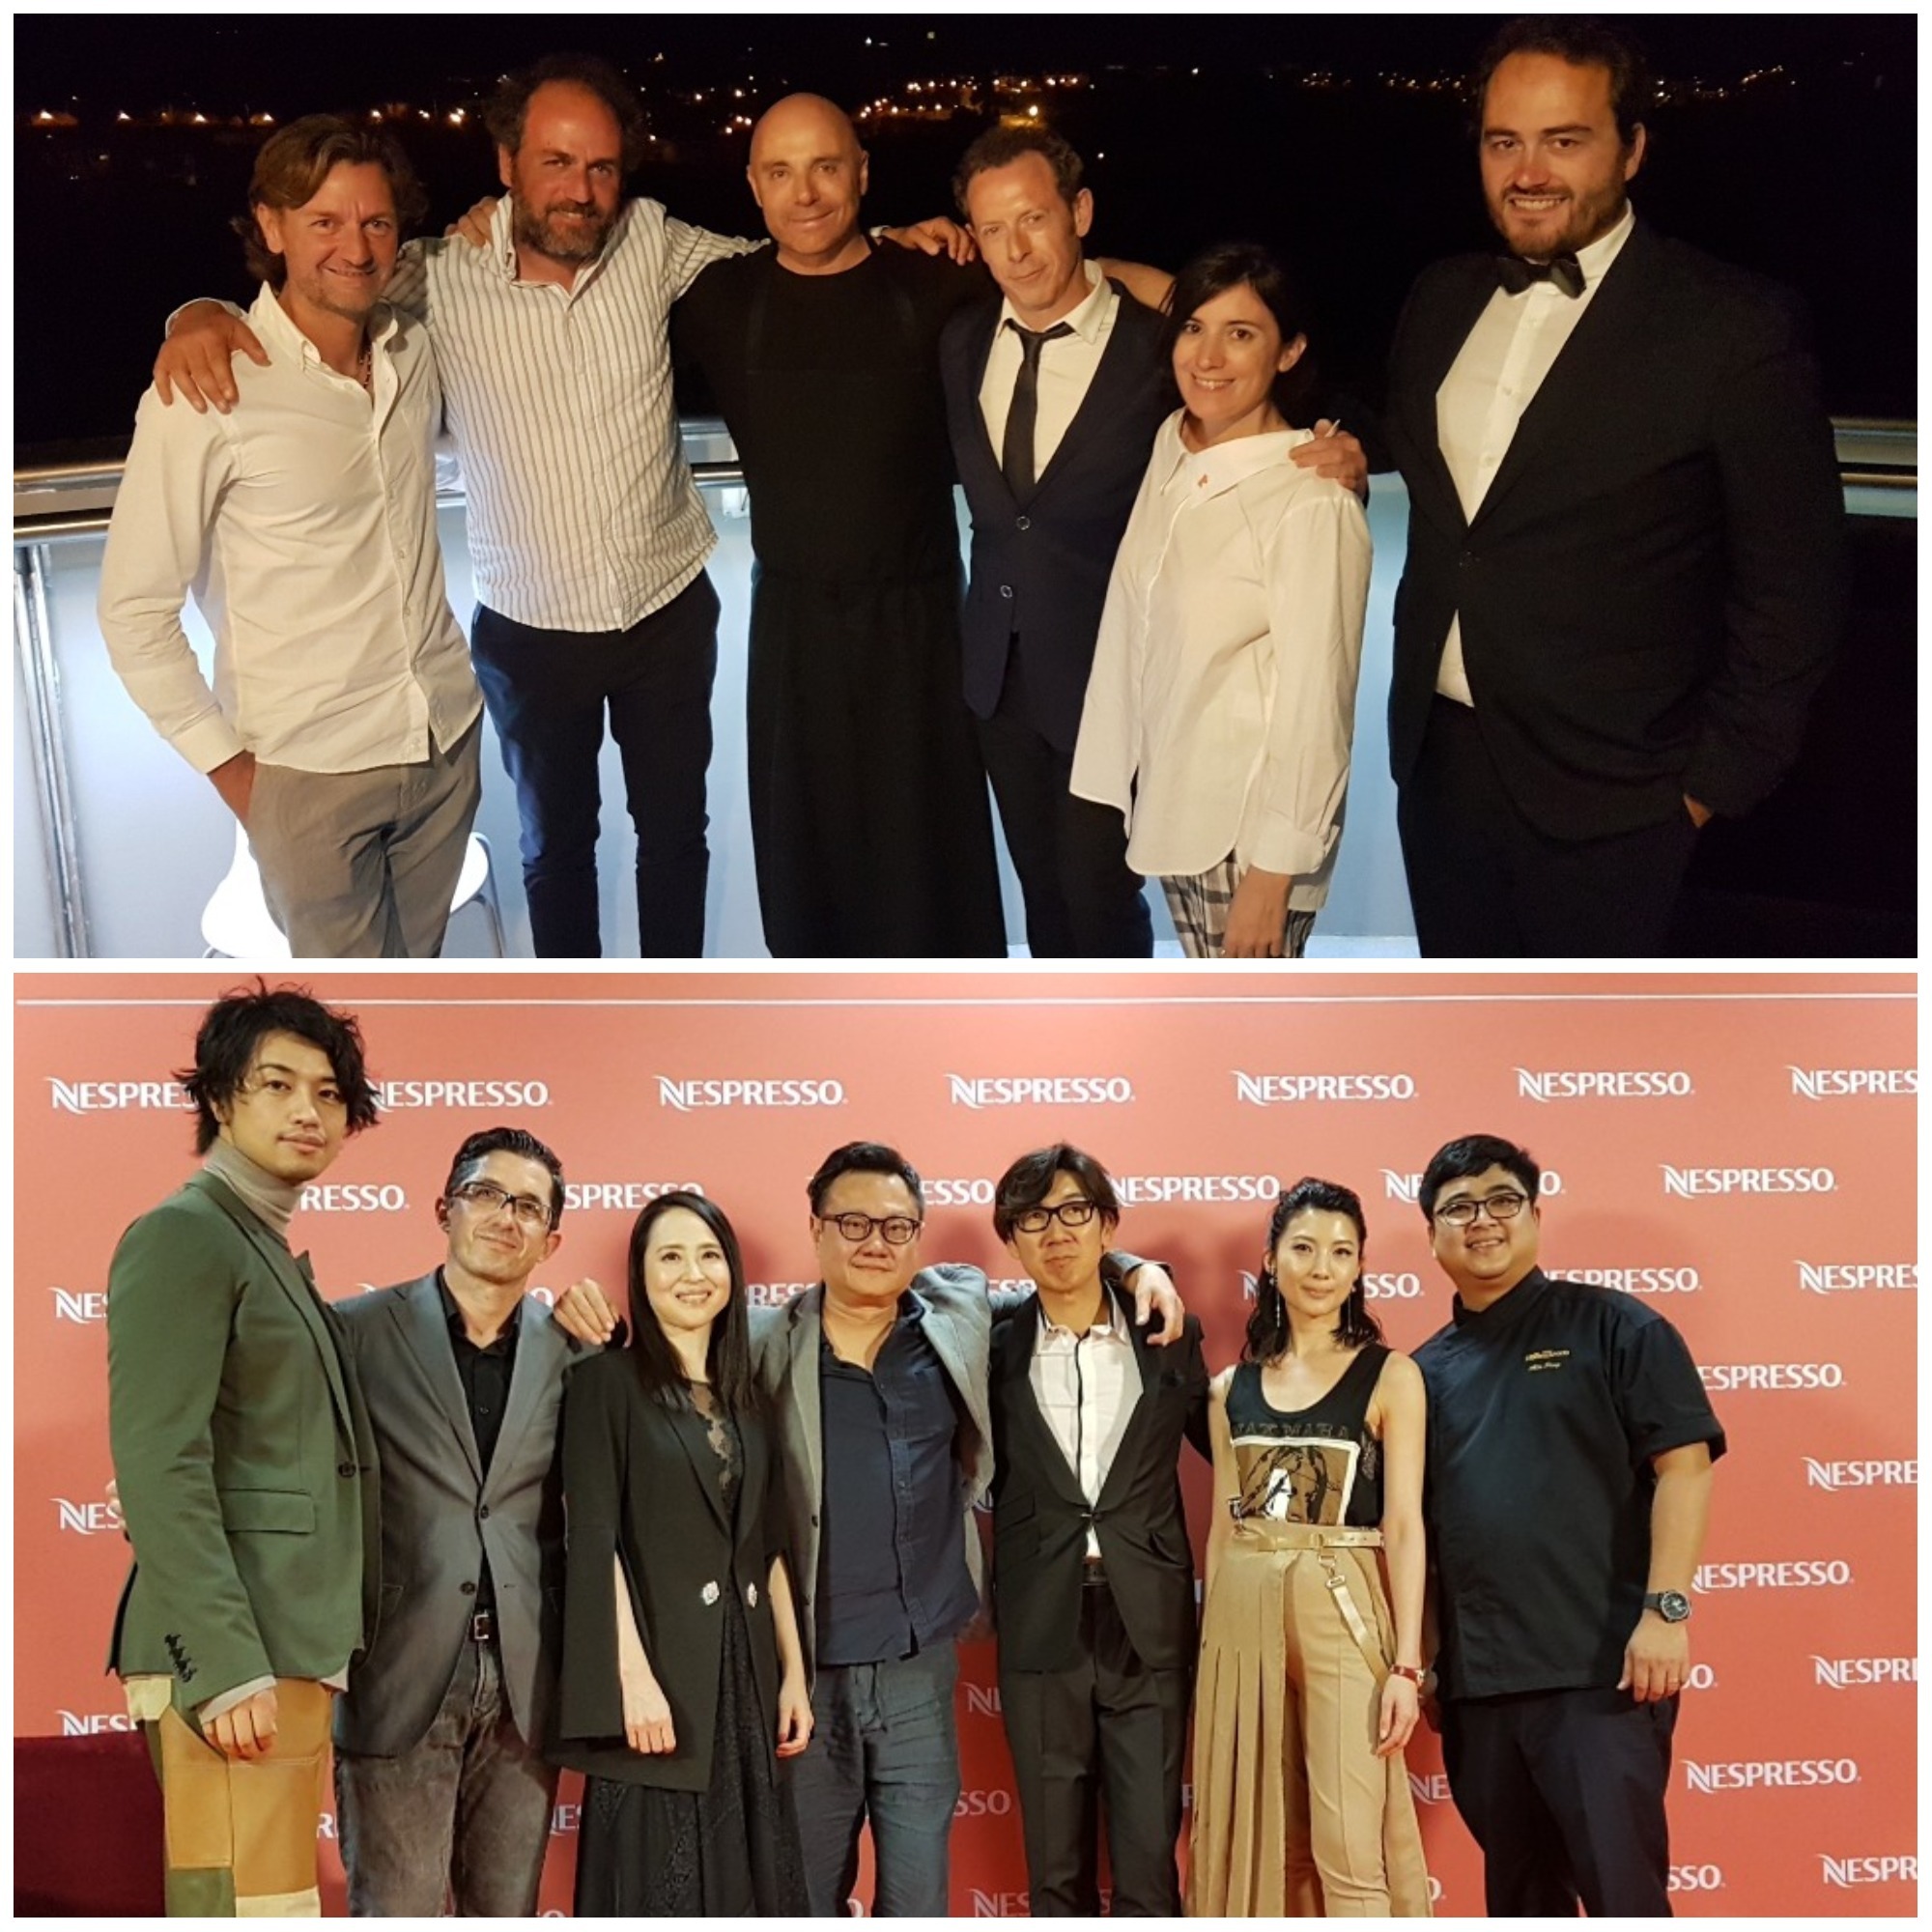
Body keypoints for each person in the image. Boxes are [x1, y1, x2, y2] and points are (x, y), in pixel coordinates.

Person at [550, 1140, 1182, 1915]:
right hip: (806, 1672)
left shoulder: (958, 1315)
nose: (875, 1242)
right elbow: (659, 1363)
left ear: (917, 1238)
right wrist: (583, 1320)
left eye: (895, 1226)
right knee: (806, 1896)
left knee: (918, 1901)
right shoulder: (760, 1345)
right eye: (852, 1223)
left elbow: (1067, 1280)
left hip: (920, 1671)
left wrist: (1140, 1268)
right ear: (815, 1229)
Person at [1383, 18, 1845, 956]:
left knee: (1585, 1078)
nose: (1527, 171)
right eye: (1502, 141)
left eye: (1563, 139)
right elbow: (1419, 466)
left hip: (1618, 800)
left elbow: (1794, 586)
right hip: (1437, 772)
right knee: (1464, 1056)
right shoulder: (1438, 298)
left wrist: (1705, 787)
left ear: (1630, 149)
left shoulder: (1728, 328)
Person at [943, 129, 1371, 960]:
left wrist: (1349, 446)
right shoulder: (960, 342)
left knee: (1103, 902)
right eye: (992, 229)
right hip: (997, 676)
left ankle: (1122, 1069)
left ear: (1081, 213)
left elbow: (1249, 353)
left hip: (1116, 685)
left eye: (1034, 219)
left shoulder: (1159, 347)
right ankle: (1078, 1060)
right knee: (1042, 893)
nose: (1016, 249)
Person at [99, 117, 482, 958]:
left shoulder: (410, 348)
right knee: (339, 1034)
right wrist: (237, 777)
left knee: (420, 999)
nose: (355, 246)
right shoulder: (206, 390)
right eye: (324, 222)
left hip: (444, 737)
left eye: (376, 222)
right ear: (271, 228)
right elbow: (133, 612)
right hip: (308, 772)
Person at [671, 95, 1009, 957]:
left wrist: (1299, 415)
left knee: (931, 872)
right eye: (780, 172)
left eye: (826, 166)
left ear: (863, 172)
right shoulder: (720, 298)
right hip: (792, 634)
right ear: (752, 188)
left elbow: (1074, 289)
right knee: (806, 873)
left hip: (922, 626)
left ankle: (950, 1058)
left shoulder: (934, 282)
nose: (806, 193)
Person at [105, 984, 381, 1916]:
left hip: (286, 1651)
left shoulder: (256, 1242)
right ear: (221, 1099)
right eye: (277, 1083)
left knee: (277, 1905)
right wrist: (222, 1665)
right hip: (233, 1662)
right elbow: (159, 1465)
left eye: (330, 1093)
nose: (308, 1109)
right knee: (244, 1911)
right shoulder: (184, 1236)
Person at [1411, 1135, 1724, 1915]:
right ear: (1432, 1234)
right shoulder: (1418, 1373)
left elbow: (1684, 1469)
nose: (1481, 1221)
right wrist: (1425, 1659)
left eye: (1502, 1200)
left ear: (1536, 1213)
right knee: (1521, 1903)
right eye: (1458, 1208)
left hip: (1602, 1675)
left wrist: (1666, 1612)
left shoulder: (1618, 1328)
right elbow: (1414, 1532)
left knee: (1624, 1896)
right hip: (1479, 1690)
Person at [1071, 242, 1373, 958]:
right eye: (1193, 329)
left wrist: (1272, 878)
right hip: (1179, 807)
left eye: (1242, 335)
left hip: (1249, 836)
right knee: (1221, 1035)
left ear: (1290, 351)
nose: (1208, 356)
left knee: (1254, 1049)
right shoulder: (1172, 444)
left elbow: (1317, 704)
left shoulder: (1309, 497)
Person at [329, 1128, 584, 1916]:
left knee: (504, 1909)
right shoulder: (354, 1331)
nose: (505, 1217)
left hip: (524, 1681)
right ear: (445, 1207)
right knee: (397, 1907)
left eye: (528, 1206)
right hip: (397, 1666)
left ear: (551, 1239)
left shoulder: (578, 1352)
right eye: (486, 1194)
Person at [554, 1192, 811, 1916]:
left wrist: (793, 1674)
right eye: (669, 1256)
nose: (692, 1273)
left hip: (747, 1684)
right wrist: (630, 1680)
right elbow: (593, 1541)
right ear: (640, 1275)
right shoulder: (604, 1384)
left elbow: (769, 1546)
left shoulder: (750, 1396)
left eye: (707, 1254)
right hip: (660, 1680)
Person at [1190, 1179, 1432, 1916]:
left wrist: (1406, 1667)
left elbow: (1405, 1525)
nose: (1321, 1267)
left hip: (1344, 1605)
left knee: (1349, 1845)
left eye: (1341, 1251)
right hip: (1241, 1618)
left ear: (1360, 1268)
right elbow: (1223, 1528)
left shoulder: (1391, 1374)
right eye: (1303, 1248)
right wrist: (1213, 1651)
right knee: (1267, 1838)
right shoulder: (1230, 1388)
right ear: (1270, 1261)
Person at [984, 1145, 1209, 1915]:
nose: (1057, 1231)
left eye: (1076, 1211)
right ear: (1011, 1238)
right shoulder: (988, 1342)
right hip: (1041, 1623)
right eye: (1033, 1218)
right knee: (1054, 1871)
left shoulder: (1168, 1330)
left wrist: (1142, 1269)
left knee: (1151, 1867)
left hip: (1146, 1621)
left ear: (1107, 1223)